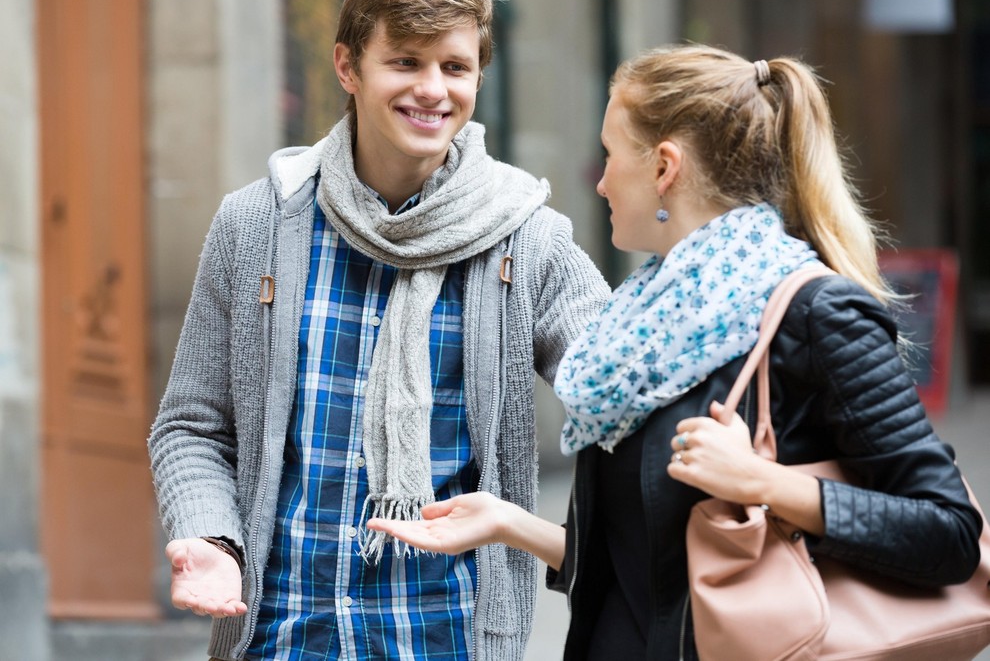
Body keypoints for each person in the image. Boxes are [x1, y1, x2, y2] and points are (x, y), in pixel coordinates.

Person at [368, 44, 984, 660]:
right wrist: (507, 525)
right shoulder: (640, 333)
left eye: (610, 154)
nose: (602, 181)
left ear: (665, 167)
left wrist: (764, 482)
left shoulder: (815, 316)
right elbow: (649, 573)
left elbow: (951, 533)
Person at [147, 0, 610, 661]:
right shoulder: (257, 225)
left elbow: (626, 396)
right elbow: (191, 425)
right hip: (278, 634)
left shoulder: (528, 240)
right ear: (347, 67)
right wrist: (213, 537)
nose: (432, 89)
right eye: (405, 61)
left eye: (454, 67)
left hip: (445, 636)